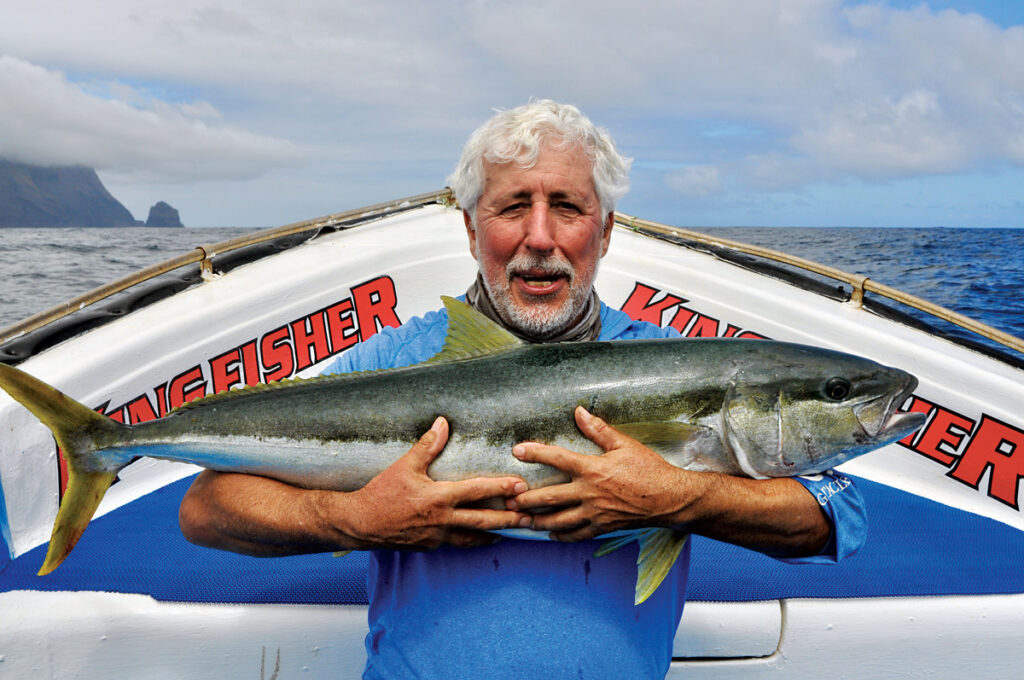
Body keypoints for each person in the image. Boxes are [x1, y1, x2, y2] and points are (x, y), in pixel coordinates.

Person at [179, 100, 865, 679]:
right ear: (474, 227)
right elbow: (206, 509)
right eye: (514, 207)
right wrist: (353, 519)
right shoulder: (399, 359)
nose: (540, 237)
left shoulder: (666, 361)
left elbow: (835, 518)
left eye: (567, 206)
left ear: (604, 229)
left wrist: (683, 498)